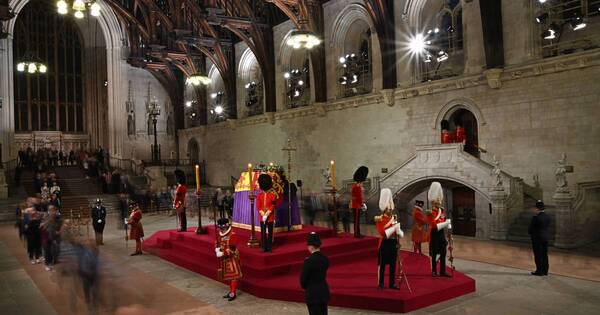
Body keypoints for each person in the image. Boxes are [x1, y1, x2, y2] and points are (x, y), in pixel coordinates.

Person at [374, 188, 404, 289]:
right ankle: (381, 283)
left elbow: (399, 233)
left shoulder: (394, 218)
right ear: (384, 208)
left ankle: (392, 283)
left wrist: (399, 232)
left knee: (393, 265)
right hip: (385, 243)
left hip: (393, 243)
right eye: (389, 208)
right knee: (382, 265)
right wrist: (394, 228)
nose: (391, 209)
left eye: (391, 207)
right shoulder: (380, 219)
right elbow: (383, 233)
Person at [300, 232, 329, 315]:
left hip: (313, 294)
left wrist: (308, 287)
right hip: (323, 292)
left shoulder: (308, 261)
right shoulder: (325, 259)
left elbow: (303, 280)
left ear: (311, 246)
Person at [426, 182, 452, 277]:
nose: (439, 201)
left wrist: (449, 229)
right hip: (434, 233)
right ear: (433, 201)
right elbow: (434, 225)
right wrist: (446, 223)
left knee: (443, 252)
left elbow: (444, 220)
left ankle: (442, 271)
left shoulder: (442, 210)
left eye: (439, 199)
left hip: (441, 233)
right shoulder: (430, 212)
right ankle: (433, 271)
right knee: (434, 252)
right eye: (437, 199)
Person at [215, 218, 242, 301]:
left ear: (227, 226)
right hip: (224, 258)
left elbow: (232, 248)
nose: (221, 230)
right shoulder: (220, 234)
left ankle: (232, 293)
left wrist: (222, 253)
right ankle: (231, 291)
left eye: (223, 228)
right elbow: (217, 242)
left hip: (232, 258)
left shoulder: (232, 235)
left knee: (234, 276)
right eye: (220, 228)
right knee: (229, 276)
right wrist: (216, 248)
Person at [529, 200, 550, 276]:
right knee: (545, 254)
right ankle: (545, 271)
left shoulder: (536, 218)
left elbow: (531, 229)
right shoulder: (547, 216)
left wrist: (531, 233)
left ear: (537, 208)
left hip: (537, 239)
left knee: (538, 255)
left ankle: (539, 271)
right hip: (545, 237)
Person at [257, 174, 276, 252]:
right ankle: (264, 246)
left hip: (270, 217)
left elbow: (273, 205)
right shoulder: (259, 195)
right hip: (262, 217)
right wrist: (262, 214)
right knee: (263, 232)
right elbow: (258, 206)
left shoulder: (272, 195)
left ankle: (269, 246)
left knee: (270, 233)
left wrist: (267, 214)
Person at [351, 166, 368, 238]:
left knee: (357, 220)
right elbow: (358, 197)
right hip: (357, 205)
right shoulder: (357, 186)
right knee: (356, 220)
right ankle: (356, 234)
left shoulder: (356, 186)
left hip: (357, 205)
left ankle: (358, 233)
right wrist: (362, 204)